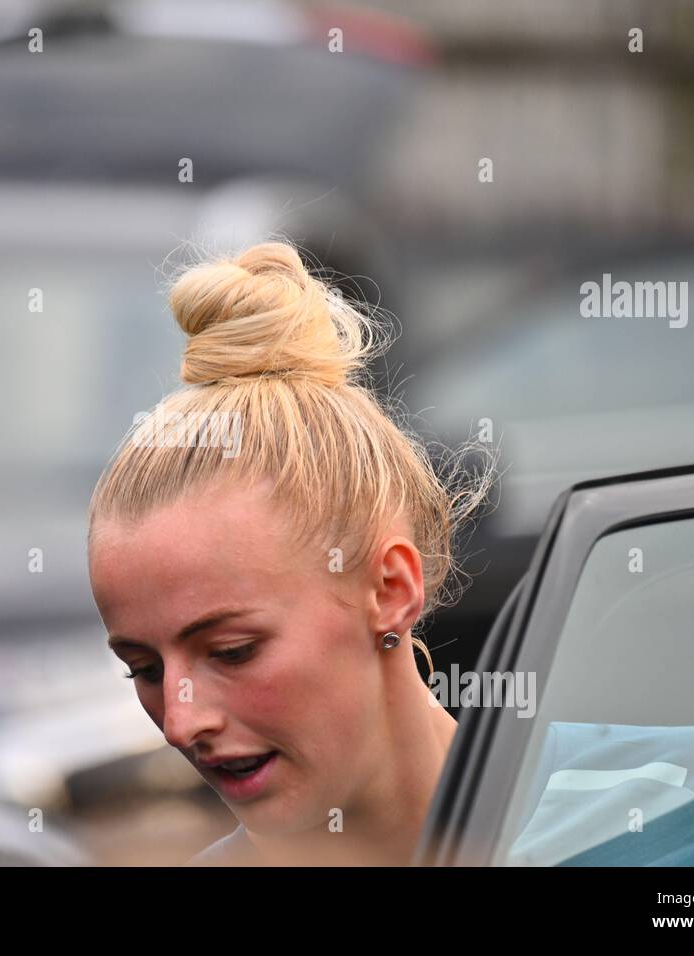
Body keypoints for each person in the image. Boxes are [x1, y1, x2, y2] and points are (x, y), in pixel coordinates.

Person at [85, 239, 490, 865]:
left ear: (390, 590)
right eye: (145, 670)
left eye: (232, 652)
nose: (179, 724)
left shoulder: (653, 820)